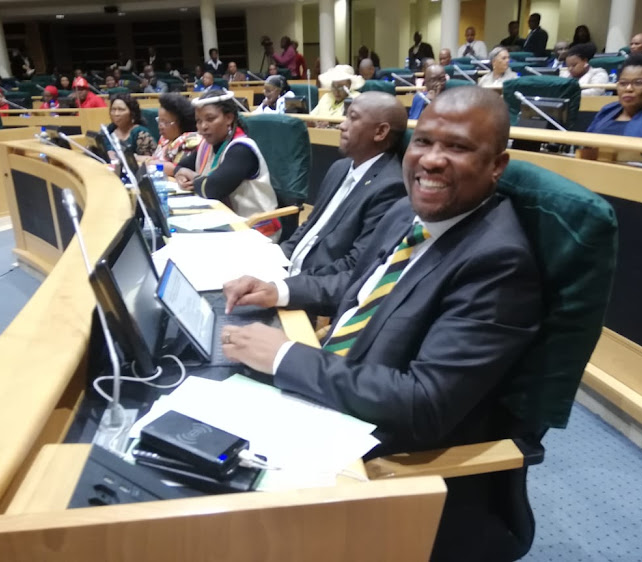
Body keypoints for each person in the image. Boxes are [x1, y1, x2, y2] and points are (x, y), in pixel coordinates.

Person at [220, 87, 542, 560]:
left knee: (217, 509)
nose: (431, 161)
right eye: (424, 142)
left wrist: (286, 356)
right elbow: (361, 280)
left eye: (457, 147)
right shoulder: (408, 211)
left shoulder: (499, 263)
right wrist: (282, 291)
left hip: (378, 444)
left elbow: (424, 402)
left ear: (497, 166)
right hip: (332, 390)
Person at [283, 92, 407, 277]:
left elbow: (355, 267)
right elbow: (310, 225)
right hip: (287, 273)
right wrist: (276, 257)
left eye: (353, 118)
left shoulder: (390, 187)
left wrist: (285, 286)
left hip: (314, 289)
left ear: (380, 132)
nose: (342, 125)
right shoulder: (339, 168)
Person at [174, 90, 278, 228]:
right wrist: (181, 176)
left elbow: (211, 189)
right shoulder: (207, 144)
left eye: (210, 119)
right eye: (198, 121)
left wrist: (190, 175)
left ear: (229, 118)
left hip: (253, 226)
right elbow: (180, 166)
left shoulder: (242, 149)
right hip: (223, 220)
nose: (203, 127)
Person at [587, 54, 642, 140]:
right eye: (623, 83)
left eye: (638, 83)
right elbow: (586, 144)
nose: (628, 89)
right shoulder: (607, 110)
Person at [148, 93, 201, 176]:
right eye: (159, 120)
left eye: (166, 122)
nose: (160, 126)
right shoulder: (165, 139)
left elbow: (175, 169)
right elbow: (154, 159)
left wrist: (149, 162)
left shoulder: (189, 141)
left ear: (182, 122)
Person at [103, 93, 157, 158]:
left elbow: (151, 160)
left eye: (121, 110)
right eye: (113, 109)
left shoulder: (140, 133)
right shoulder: (109, 130)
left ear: (132, 113)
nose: (116, 114)